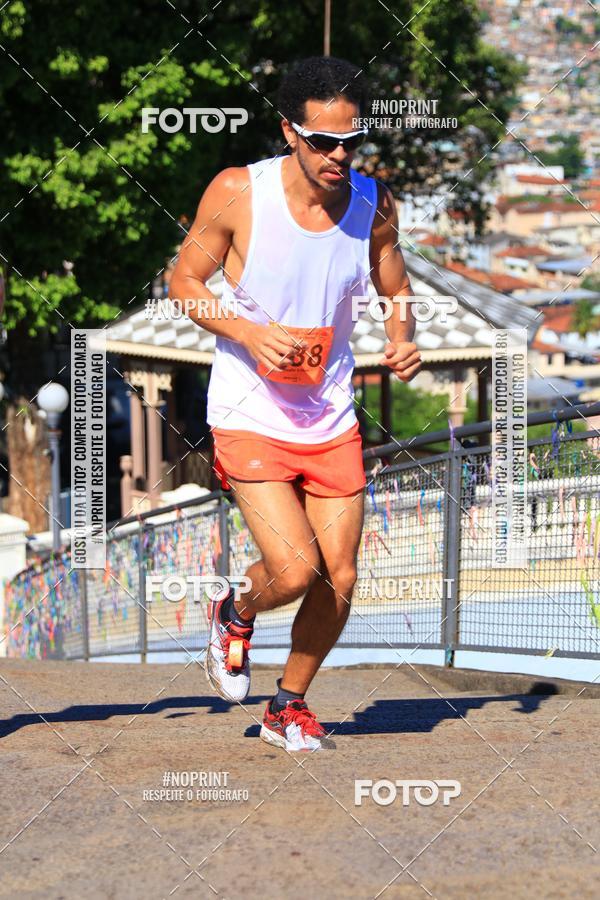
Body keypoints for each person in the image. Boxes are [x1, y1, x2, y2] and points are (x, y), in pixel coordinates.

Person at [169, 56, 421, 752]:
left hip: (330, 415)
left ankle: (288, 705)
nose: (340, 155)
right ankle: (237, 608)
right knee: (292, 570)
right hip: (250, 411)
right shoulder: (238, 192)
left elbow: (397, 288)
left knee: (339, 575)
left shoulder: (375, 203)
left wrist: (402, 338)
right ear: (289, 131)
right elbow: (184, 280)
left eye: (352, 140)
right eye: (323, 142)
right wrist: (248, 332)